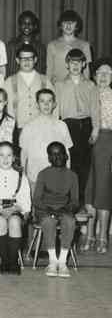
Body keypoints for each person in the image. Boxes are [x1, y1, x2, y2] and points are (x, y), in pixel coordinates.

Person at [55, 48, 99, 204]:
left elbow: (95, 108)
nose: (75, 66)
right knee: (70, 161)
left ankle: (81, 199)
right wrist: (57, 130)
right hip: (68, 125)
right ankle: (69, 199)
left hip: (86, 125)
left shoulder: (91, 85)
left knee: (85, 163)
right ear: (67, 64)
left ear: (84, 64)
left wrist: (95, 129)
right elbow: (56, 109)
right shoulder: (59, 85)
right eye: (72, 62)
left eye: (78, 62)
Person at [0, 141, 31, 275]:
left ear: (14, 158)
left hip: (15, 210)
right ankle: (4, 260)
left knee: (14, 221)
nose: (5, 159)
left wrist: (15, 208)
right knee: (1, 221)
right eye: (1, 155)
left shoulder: (21, 176)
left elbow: (25, 200)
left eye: (9, 155)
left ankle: (13, 261)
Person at [33, 142, 79, 278]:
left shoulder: (72, 175)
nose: (57, 157)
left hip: (64, 209)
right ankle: (52, 262)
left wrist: (66, 209)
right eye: (53, 154)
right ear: (49, 158)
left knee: (69, 221)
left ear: (66, 156)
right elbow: (37, 199)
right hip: (45, 210)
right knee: (49, 222)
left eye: (60, 154)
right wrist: (49, 210)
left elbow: (75, 201)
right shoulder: (43, 174)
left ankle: (62, 262)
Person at [20, 88, 73, 192]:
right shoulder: (28, 127)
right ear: (37, 105)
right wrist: (23, 175)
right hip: (35, 176)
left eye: (49, 101)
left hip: (57, 177)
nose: (46, 104)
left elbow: (67, 152)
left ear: (54, 104)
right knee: (36, 201)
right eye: (42, 101)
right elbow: (24, 153)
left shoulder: (61, 125)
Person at [84, 58, 112, 254]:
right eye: (100, 72)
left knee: (103, 188)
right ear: (94, 75)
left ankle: (102, 236)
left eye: (108, 73)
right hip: (86, 141)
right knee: (90, 188)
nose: (103, 76)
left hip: (107, 142)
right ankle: (89, 234)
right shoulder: (88, 92)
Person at [4, 44, 54, 132]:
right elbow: (5, 107)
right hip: (18, 129)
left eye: (30, 58)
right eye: (23, 59)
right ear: (17, 60)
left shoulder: (45, 81)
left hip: (42, 128)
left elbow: (54, 105)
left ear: (35, 60)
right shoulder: (9, 82)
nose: (27, 61)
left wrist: (53, 125)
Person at [47, 9, 92, 83]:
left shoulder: (85, 45)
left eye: (72, 22)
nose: (68, 25)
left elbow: (86, 71)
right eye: (65, 22)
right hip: (58, 86)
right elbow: (49, 70)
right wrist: (49, 86)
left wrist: (86, 86)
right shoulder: (52, 45)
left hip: (78, 85)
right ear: (61, 25)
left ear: (76, 25)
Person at [7, 10, 46, 76]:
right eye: (24, 23)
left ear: (35, 26)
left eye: (30, 23)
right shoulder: (11, 46)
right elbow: (9, 70)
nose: (27, 26)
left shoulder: (40, 47)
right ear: (19, 26)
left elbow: (41, 70)